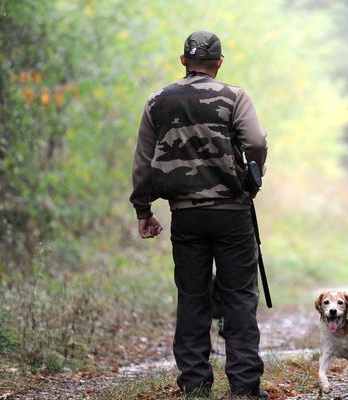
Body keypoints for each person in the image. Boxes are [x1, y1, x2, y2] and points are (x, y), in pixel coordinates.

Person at [130, 31, 268, 398]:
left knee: (192, 296)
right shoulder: (234, 96)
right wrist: (252, 179)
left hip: (186, 215)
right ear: (219, 62)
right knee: (239, 297)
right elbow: (255, 142)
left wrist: (144, 209)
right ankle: (244, 386)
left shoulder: (157, 100)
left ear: (182, 61)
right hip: (232, 213)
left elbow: (144, 160)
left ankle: (194, 383)